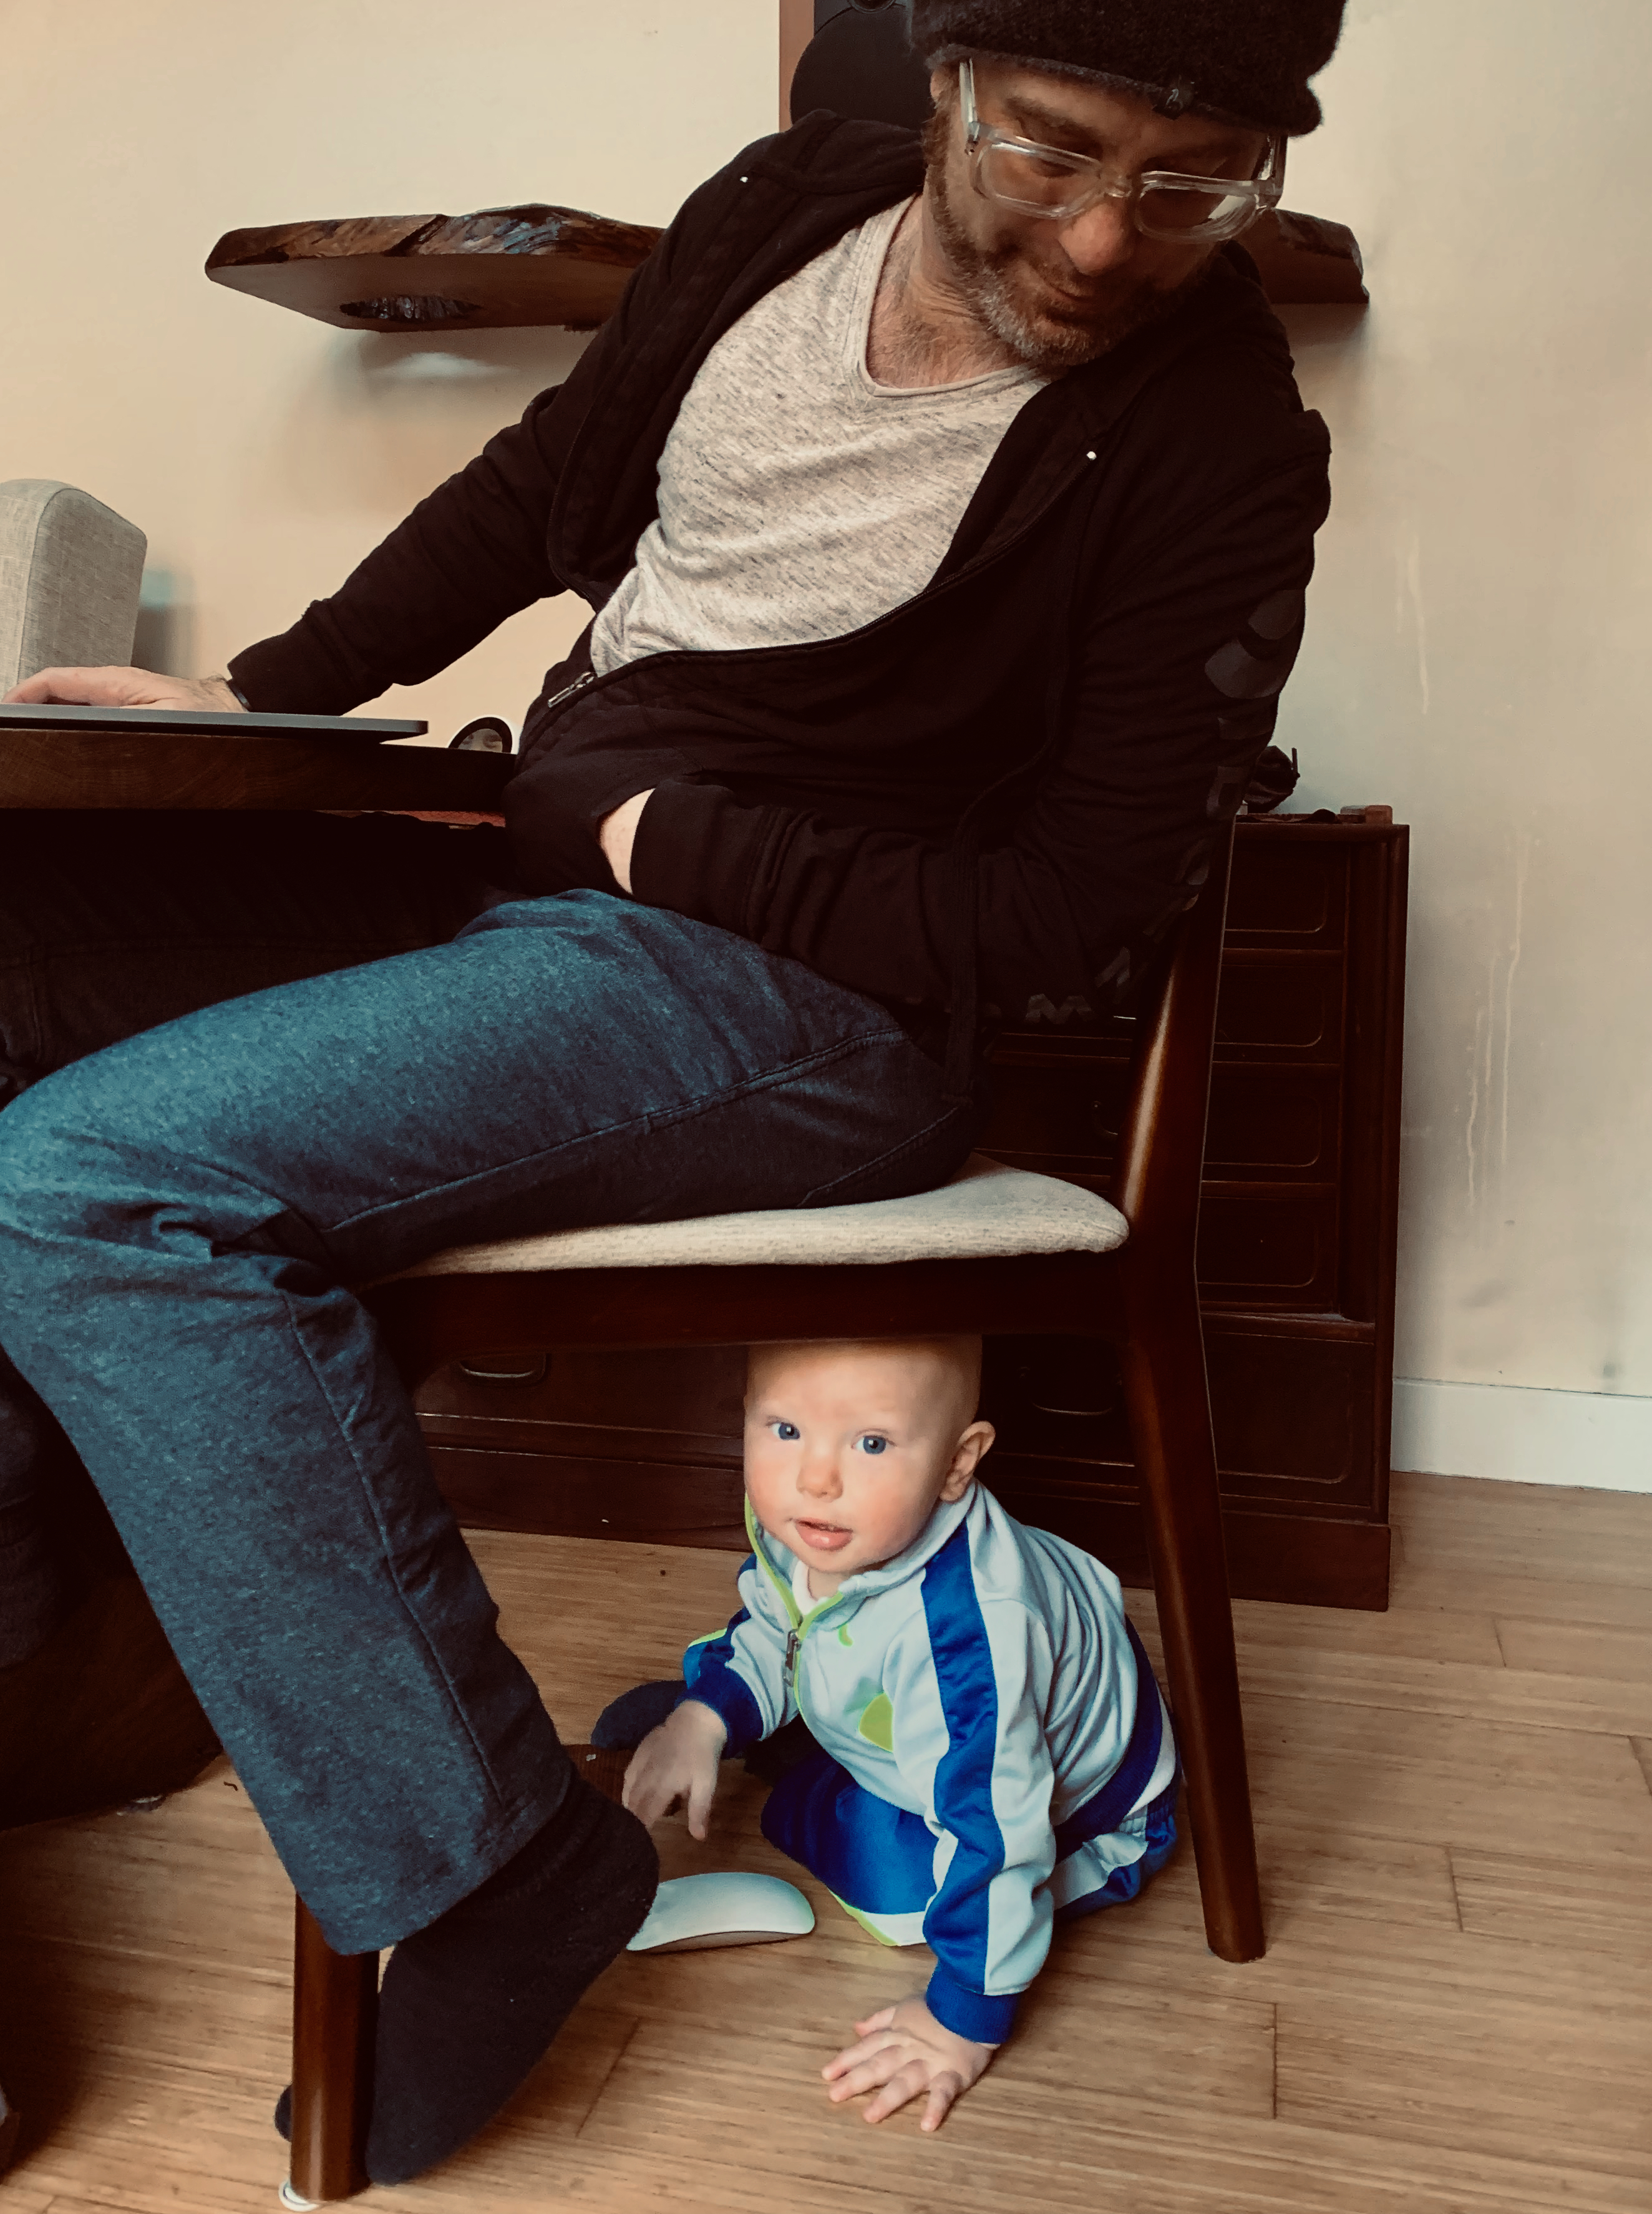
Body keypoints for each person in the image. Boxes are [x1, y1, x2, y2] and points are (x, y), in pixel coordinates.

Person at [0, 0, 1341, 2183]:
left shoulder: (1216, 434)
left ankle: (496, 1868)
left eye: (1193, 184)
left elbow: (1069, 912)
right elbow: (553, 482)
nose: (1108, 237)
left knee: (89, 1184)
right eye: (1050, 147)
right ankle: (42, 1679)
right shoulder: (782, 211)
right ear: (943, 84)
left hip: (799, 996)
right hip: (530, 871)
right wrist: (264, 694)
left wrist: (660, 836)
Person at [618, 1336, 1178, 2133]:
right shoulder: (825, 1519)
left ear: (957, 1462)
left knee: (893, 1886)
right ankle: (739, 1720)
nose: (816, 1477)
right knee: (706, 1701)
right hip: (928, 1719)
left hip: (1073, 1809)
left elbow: (996, 1830)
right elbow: (782, 1621)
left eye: (872, 1443)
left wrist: (962, 2019)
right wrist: (700, 1717)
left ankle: (812, 1776)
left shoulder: (964, 1639)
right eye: (784, 1429)